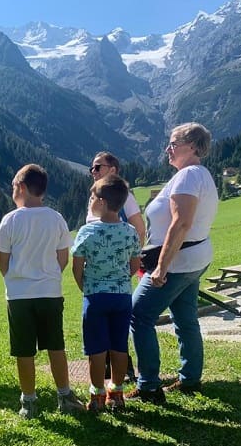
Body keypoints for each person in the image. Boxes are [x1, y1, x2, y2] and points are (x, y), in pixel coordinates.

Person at [125, 122, 218, 404]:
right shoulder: (197, 174)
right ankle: (190, 379)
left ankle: (149, 385)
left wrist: (161, 267)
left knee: (138, 314)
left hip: (177, 262)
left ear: (192, 147)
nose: (168, 148)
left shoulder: (188, 176)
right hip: (194, 259)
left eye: (173, 143)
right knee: (185, 318)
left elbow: (181, 223)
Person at [0, 164, 85, 419]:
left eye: (13, 186)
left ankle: (29, 401)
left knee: (24, 350)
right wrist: (49, 276)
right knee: (56, 345)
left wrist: (16, 277)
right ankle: (65, 395)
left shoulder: (10, 220)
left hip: (19, 295)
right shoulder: (55, 217)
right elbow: (63, 258)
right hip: (50, 292)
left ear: (21, 187)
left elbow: (2, 261)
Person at [72, 174, 141, 413]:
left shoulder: (86, 232)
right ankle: (117, 392)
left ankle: (97, 395)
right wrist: (121, 280)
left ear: (101, 201)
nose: (90, 201)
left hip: (95, 297)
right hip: (122, 297)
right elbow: (134, 264)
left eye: (92, 197)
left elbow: (77, 267)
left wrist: (87, 287)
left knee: (96, 349)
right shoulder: (130, 231)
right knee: (119, 347)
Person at [86, 151, 143, 381]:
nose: (93, 171)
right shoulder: (96, 196)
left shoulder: (123, 195)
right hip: (98, 272)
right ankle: (111, 372)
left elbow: (139, 227)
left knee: (113, 325)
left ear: (113, 169)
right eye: (92, 168)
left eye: (98, 167)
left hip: (114, 271)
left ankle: (124, 371)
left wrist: (131, 261)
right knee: (108, 324)